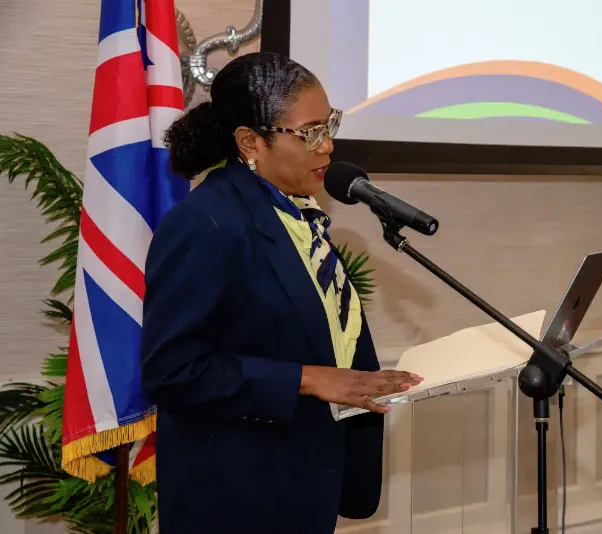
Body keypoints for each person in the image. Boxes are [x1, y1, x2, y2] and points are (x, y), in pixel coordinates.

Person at [140, 51, 422, 534]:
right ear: (251, 142)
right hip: (237, 498)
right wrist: (306, 379)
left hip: (303, 482)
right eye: (309, 132)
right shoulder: (204, 223)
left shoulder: (295, 213)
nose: (327, 145)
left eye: (329, 125)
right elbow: (171, 371)